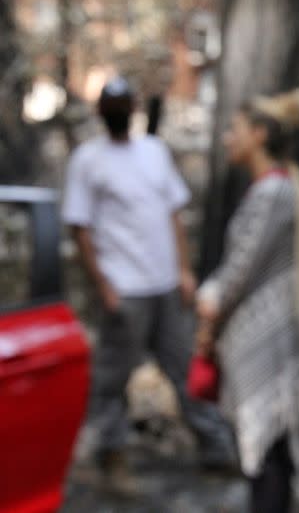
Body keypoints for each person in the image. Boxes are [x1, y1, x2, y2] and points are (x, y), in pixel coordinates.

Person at [62, 77, 232, 490]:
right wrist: (102, 285)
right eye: (112, 103)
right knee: (113, 378)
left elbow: (173, 213)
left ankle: (217, 451)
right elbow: (80, 229)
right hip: (124, 288)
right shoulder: (88, 159)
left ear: (134, 107)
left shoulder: (153, 152)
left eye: (125, 102)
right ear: (102, 111)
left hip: (166, 285)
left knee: (185, 367)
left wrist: (185, 270)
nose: (119, 109)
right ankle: (112, 457)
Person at [195, 92, 299, 513]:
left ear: (259, 134)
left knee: (265, 454)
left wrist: (207, 300)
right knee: (271, 452)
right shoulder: (277, 191)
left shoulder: (272, 195)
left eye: (234, 130)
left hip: (262, 344)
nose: (227, 139)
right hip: (264, 339)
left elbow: (237, 272)